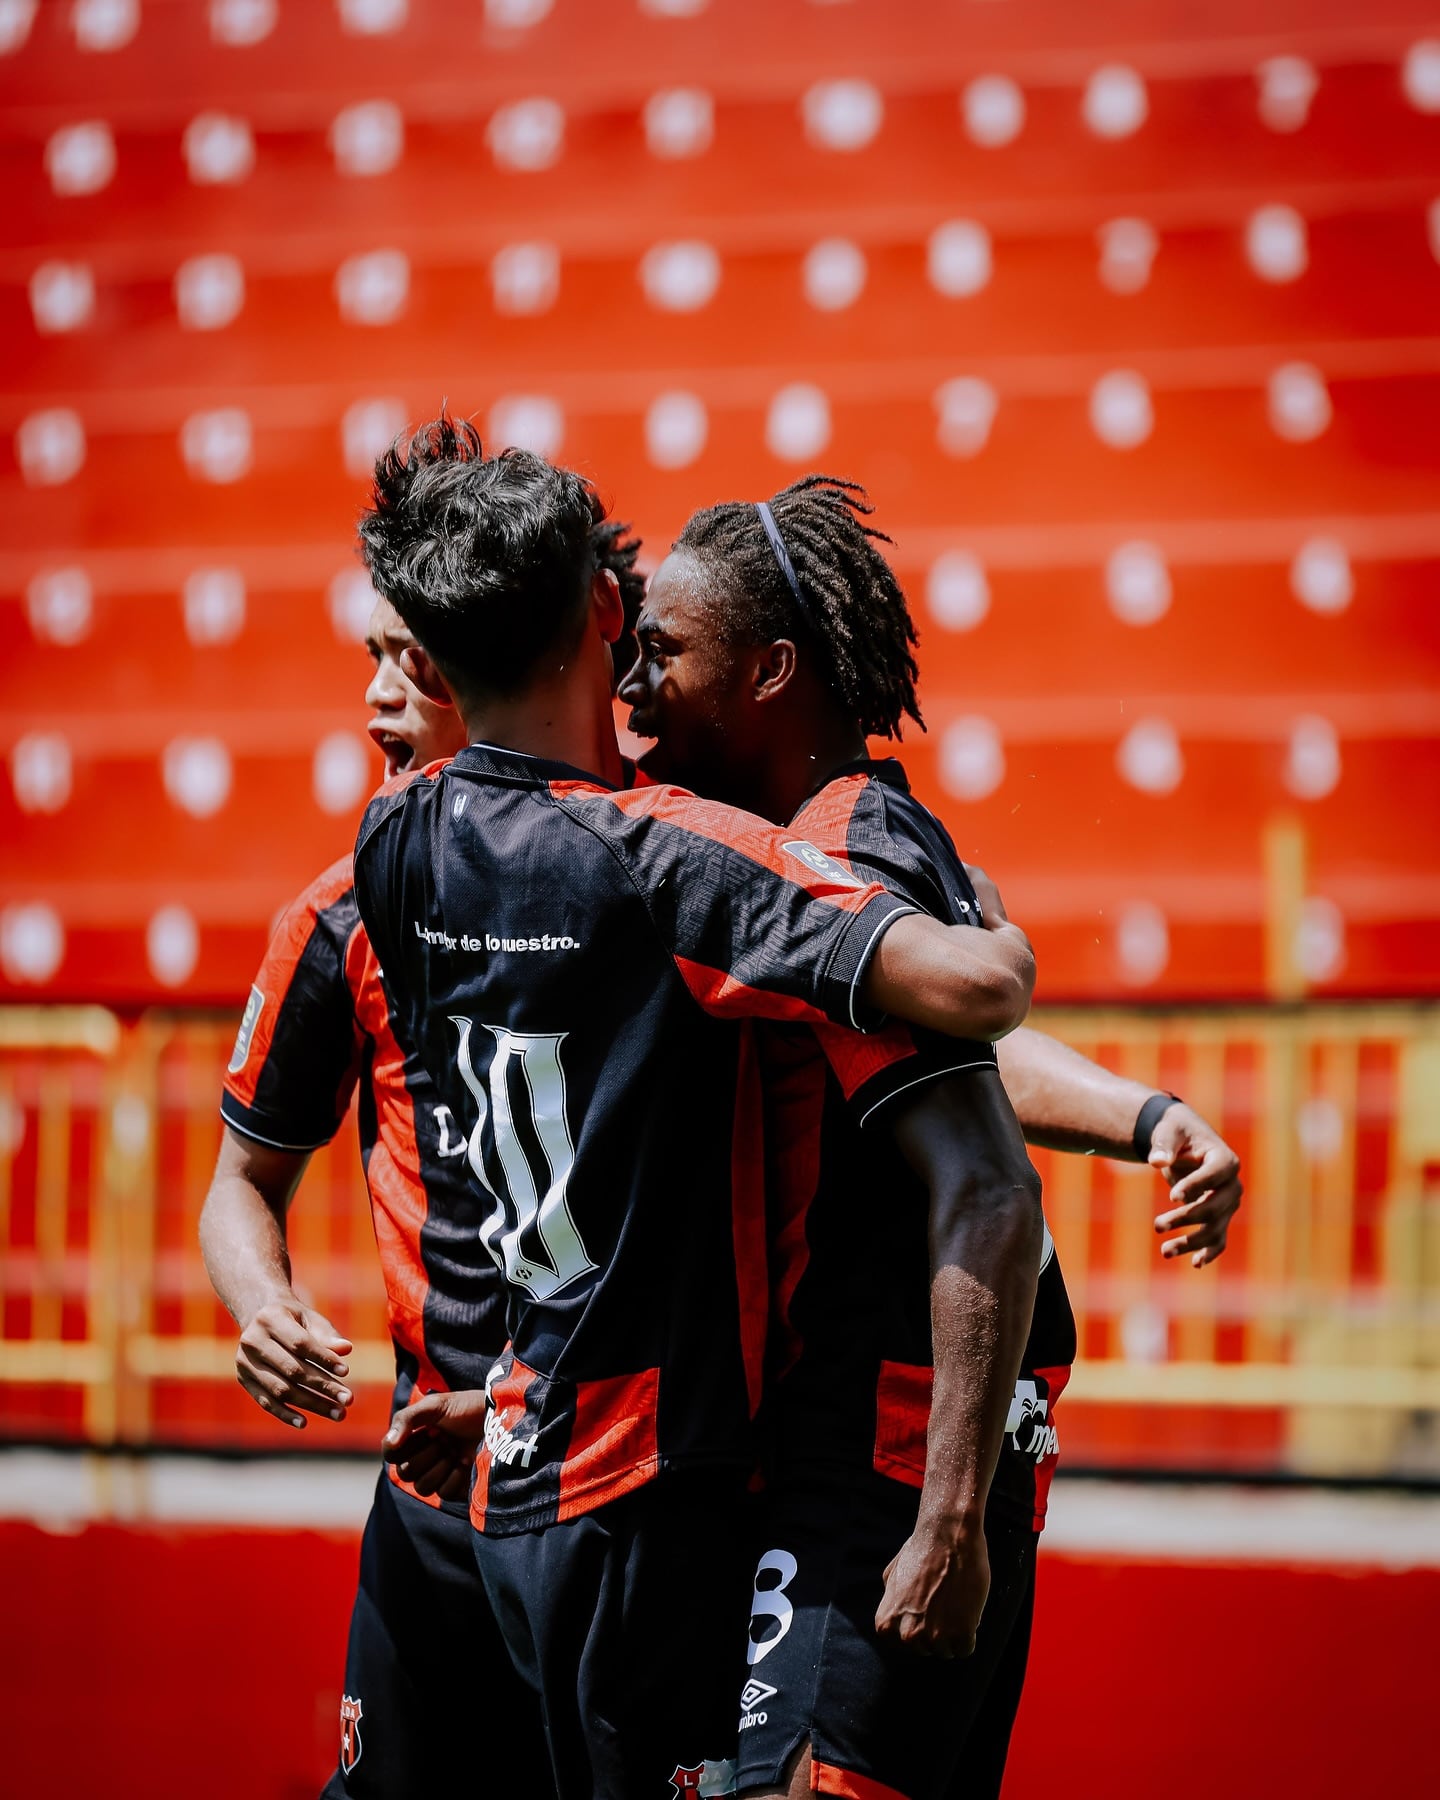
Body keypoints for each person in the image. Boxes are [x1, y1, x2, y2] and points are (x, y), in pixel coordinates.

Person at [354, 417, 1042, 1800]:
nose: (648, 682)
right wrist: (1001, 938)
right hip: (657, 1492)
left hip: (526, 1467)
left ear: (433, 660)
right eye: (644, 642)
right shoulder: (672, 857)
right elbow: (968, 995)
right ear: (602, 615)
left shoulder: (399, 841)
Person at [616, 475, 1244, 1800]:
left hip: (882, 1476)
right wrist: (1147, 1115)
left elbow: (988, 1193)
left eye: (667, 650)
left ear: (769, 669)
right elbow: (952, 1067)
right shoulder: (865, 833)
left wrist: (944, 1519)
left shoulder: (845, 843)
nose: (635, 685)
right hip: (935, 1459)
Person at [198, 514, 645, 1799]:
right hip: (436, 1496)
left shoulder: (663, 869)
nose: (376, 696)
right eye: (370, 656)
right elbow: (242, 1182)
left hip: (619, 1497)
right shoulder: (339, 916)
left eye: (412, 659)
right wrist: (265, 1301)